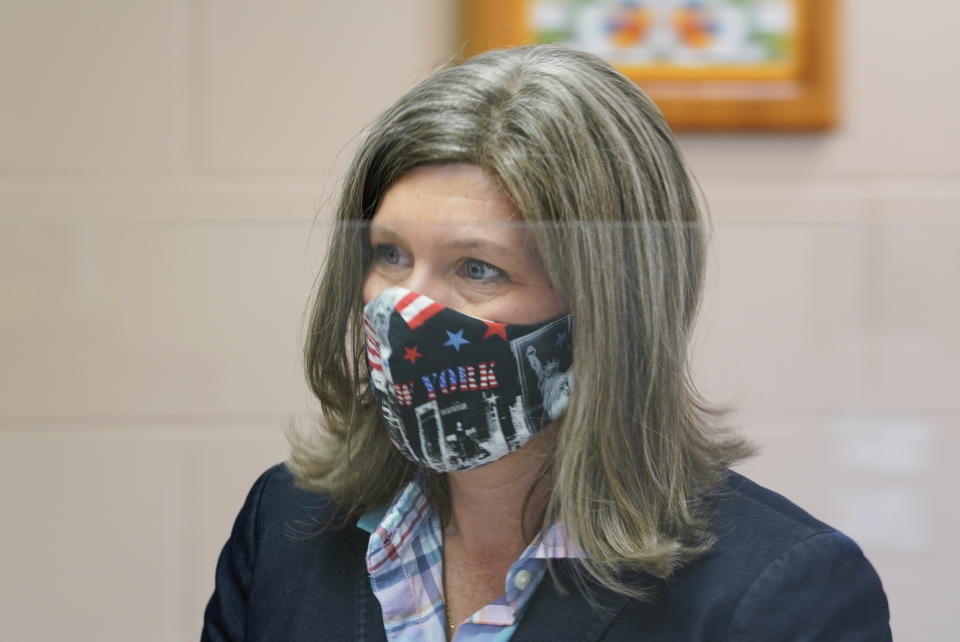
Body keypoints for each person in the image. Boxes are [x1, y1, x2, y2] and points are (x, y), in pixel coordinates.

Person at [203, 45, 890, 641]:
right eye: (389, 254)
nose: (404, 307)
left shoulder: (780, 592)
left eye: (477, 268)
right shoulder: (287, 524)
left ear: (604, 305)